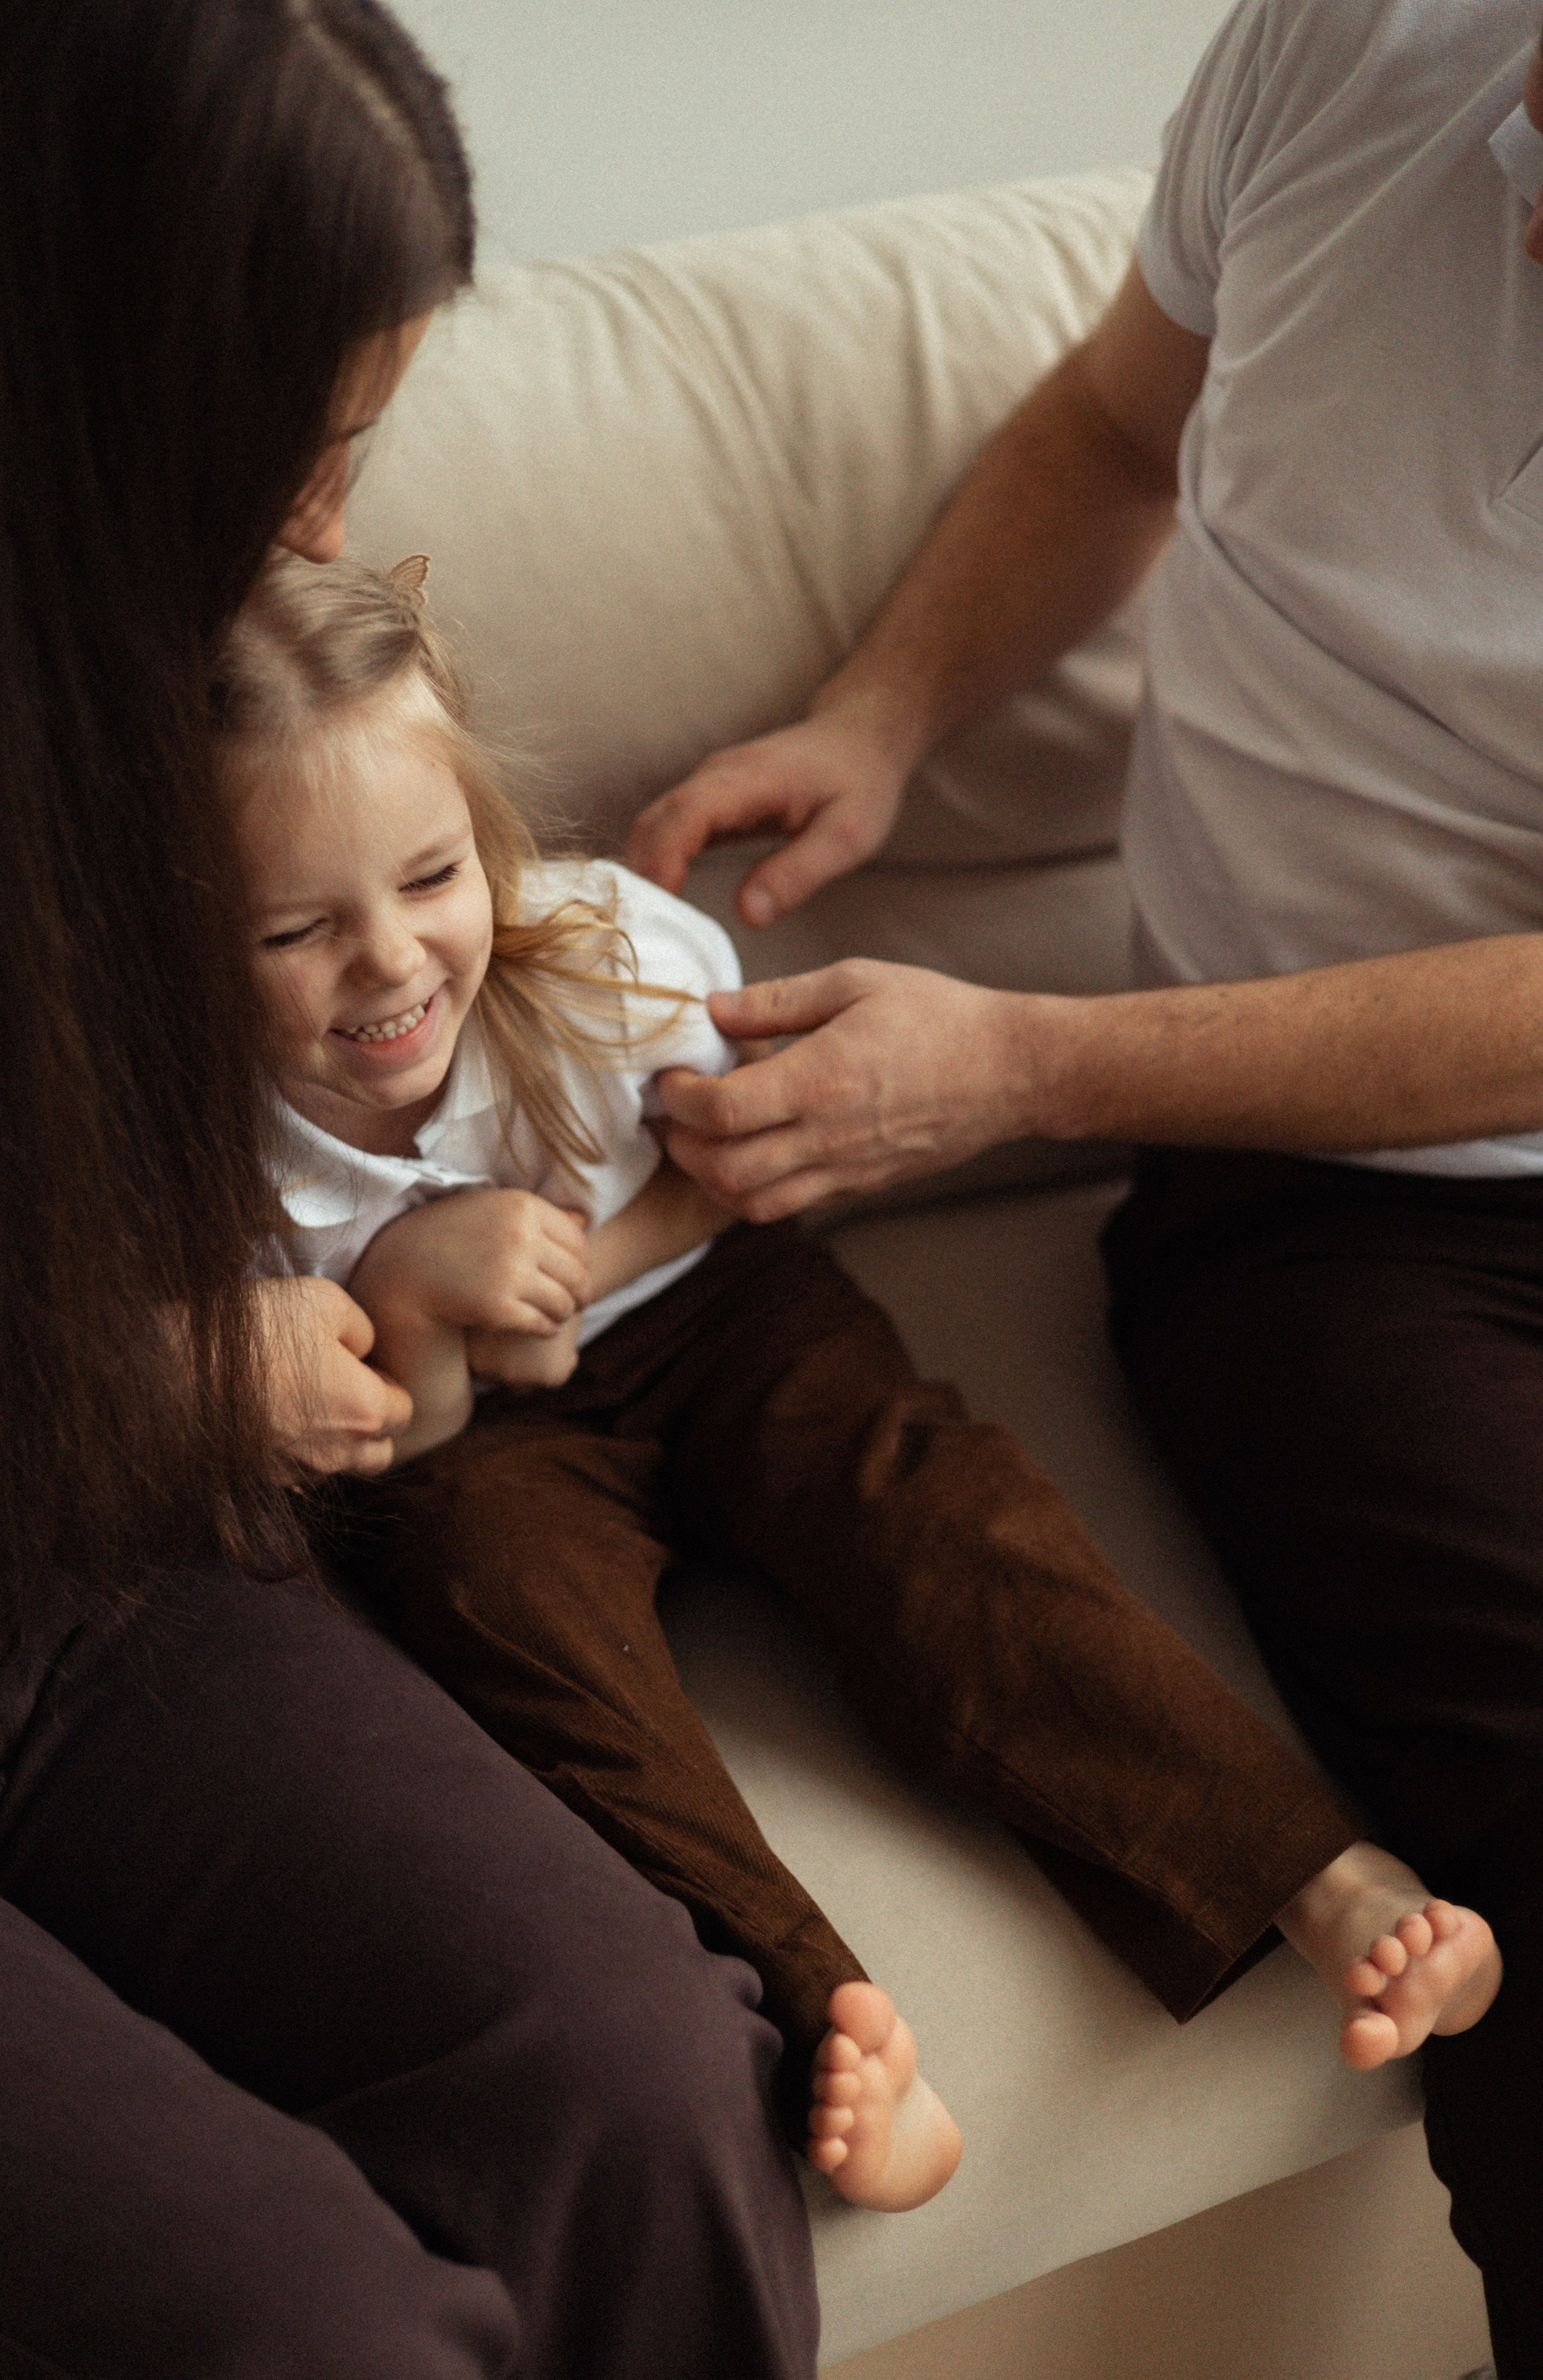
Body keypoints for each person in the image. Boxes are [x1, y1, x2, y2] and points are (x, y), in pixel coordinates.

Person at [623, 0, 1543, 2366]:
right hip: (1333, 1214)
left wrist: (1015, 1062)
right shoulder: (1355, 44)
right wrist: (881, 711)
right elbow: (1122, 418)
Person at [219, 547, 1498, 2218]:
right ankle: (826, 2007)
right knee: (503, 1620)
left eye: (433, 877)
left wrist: (582, 1265)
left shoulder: (604, 957)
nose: (392, 963)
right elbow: (384, 1445)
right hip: (474, 1450)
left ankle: (1314, 1878)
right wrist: (408, 1299)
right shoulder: (213, 1157)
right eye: (299, 930)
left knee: (936, 1520)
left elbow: (747, 1167)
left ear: (491, 840)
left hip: (713, 1311)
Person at [0, 7, 823, 2376]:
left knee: (647, 2081)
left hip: (93, 1577)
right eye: (293, 452)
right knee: (300, 2322)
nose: (329, 529)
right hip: (71, 1458)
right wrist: (127, 1371)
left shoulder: (144, 699)